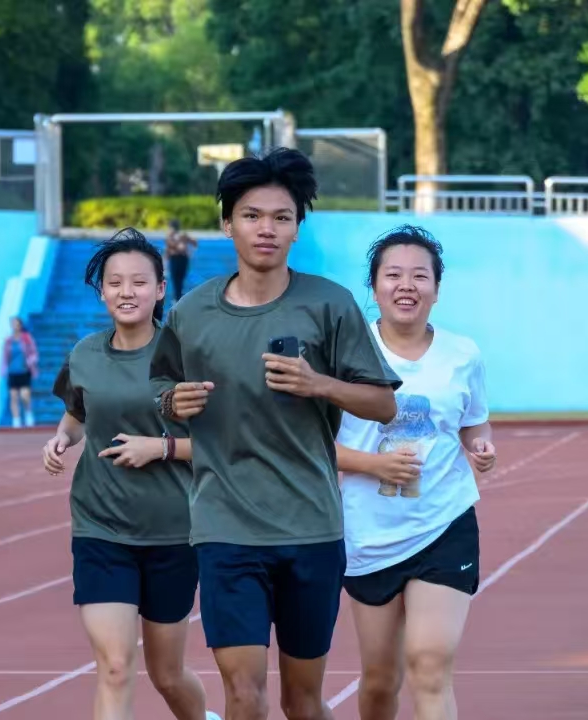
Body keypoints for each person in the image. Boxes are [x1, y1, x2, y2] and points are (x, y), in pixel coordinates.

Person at [149, 147, 401, 720]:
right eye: (252, 215)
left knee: (302, 702)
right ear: (227, 223)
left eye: (281, 217)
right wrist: (171, 400)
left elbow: (383, 404)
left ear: (296, 228)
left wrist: (319, 384)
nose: (267, 228)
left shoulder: (330, 304)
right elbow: (161, 386)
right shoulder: (192, 312)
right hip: (225, 527)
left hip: (310, 527)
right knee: (243, 696)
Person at [42, 228, 218, 720]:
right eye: (115, 282)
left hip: (172, 533)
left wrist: (159, 447)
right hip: (101, 529)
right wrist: (61, 439)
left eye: (139, 282)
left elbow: (225, 446)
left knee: (167, 674)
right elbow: (77, 415)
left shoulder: (186, 357)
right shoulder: (85, 354)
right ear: (101, 291)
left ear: (160, 289)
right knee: (116, 666)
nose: (126, 291)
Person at [334, 225, 497, 720]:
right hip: (369, 533)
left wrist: (481, 447)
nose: (407, 285)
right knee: (380, 681)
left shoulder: (463, 354)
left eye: (420, 276)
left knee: (430, 667)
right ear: (374, 286)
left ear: (436, 289)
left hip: (443, 523)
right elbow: (313, 445)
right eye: (394, 275)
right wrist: (374, 464)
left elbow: (474, 422)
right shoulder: (344, 353)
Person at [1, 317, 38, 428]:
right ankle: (16, 420)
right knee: (13, 397)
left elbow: (34, 353)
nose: (14, 326)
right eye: (12, 324)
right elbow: (5, 356)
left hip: (24, 371)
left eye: (16, 324)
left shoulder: (27, 338)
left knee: (24, 395)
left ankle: (28, 413)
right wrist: (3, 369)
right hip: (12, 372)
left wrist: (29, 362)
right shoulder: (8, 340)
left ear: (20, 325)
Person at [164, 218, 198, 302]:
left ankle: (177, 298)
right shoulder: (182, 236)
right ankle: (178, 297)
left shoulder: (174, 236)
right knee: (178, 280)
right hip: (181, 259)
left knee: (177, 279)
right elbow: (194, 243)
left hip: (177, 259)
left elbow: (171, 248)